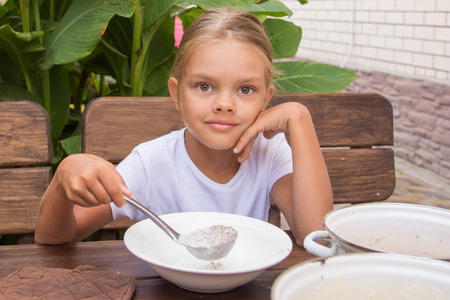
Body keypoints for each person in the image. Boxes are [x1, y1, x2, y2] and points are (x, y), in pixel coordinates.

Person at [34, 9, 333, 247]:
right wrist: (62, 182)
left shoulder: (270, 153)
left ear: (265, 98)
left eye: (245, 90)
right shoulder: (150, 163)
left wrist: (299, 119)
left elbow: (315, 234)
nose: (224, 104)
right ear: (176, 94)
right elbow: (55, 237)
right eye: (204, 86)